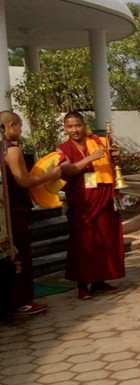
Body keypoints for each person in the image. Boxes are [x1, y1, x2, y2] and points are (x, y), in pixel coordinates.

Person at [57, 111, 125, 300]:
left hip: (102, 197)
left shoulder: (97, 142)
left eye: (77, 125)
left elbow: (111, 163)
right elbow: (67, 169)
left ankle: (99, 281)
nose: (75, 130)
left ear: (83, 125)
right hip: (82, 201)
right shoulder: (63, 148)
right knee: (83, 243)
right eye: (70, 126)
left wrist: (114, 156)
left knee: (104, 239)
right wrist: (90, 158)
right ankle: (82, 285)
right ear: (65, 128)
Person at [1, 111, 61, 319]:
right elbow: (23, 182)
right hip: (14, 209)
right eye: (18, 126)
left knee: (9, 255)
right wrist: (51, 175)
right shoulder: (12, 150)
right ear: (9, 125)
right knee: (20, 255)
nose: (20, 130)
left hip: (4, 210)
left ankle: (10, 303)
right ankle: (22, 302)